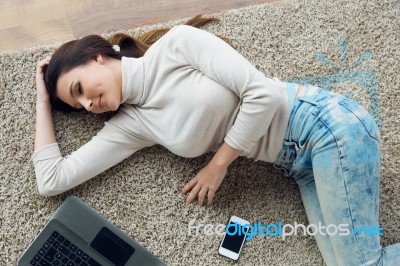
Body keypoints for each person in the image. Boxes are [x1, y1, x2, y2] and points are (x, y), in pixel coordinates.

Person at [33, 15, 399, 265]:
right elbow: (52, 180)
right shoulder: (133, 126)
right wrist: (43, 101)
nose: (87, 104)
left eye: (79, 89)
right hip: (299, 166)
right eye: (78, 105)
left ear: (95, 57)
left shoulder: (176, 46)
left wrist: (217, 165)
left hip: (325, 125)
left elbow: (263, 95)